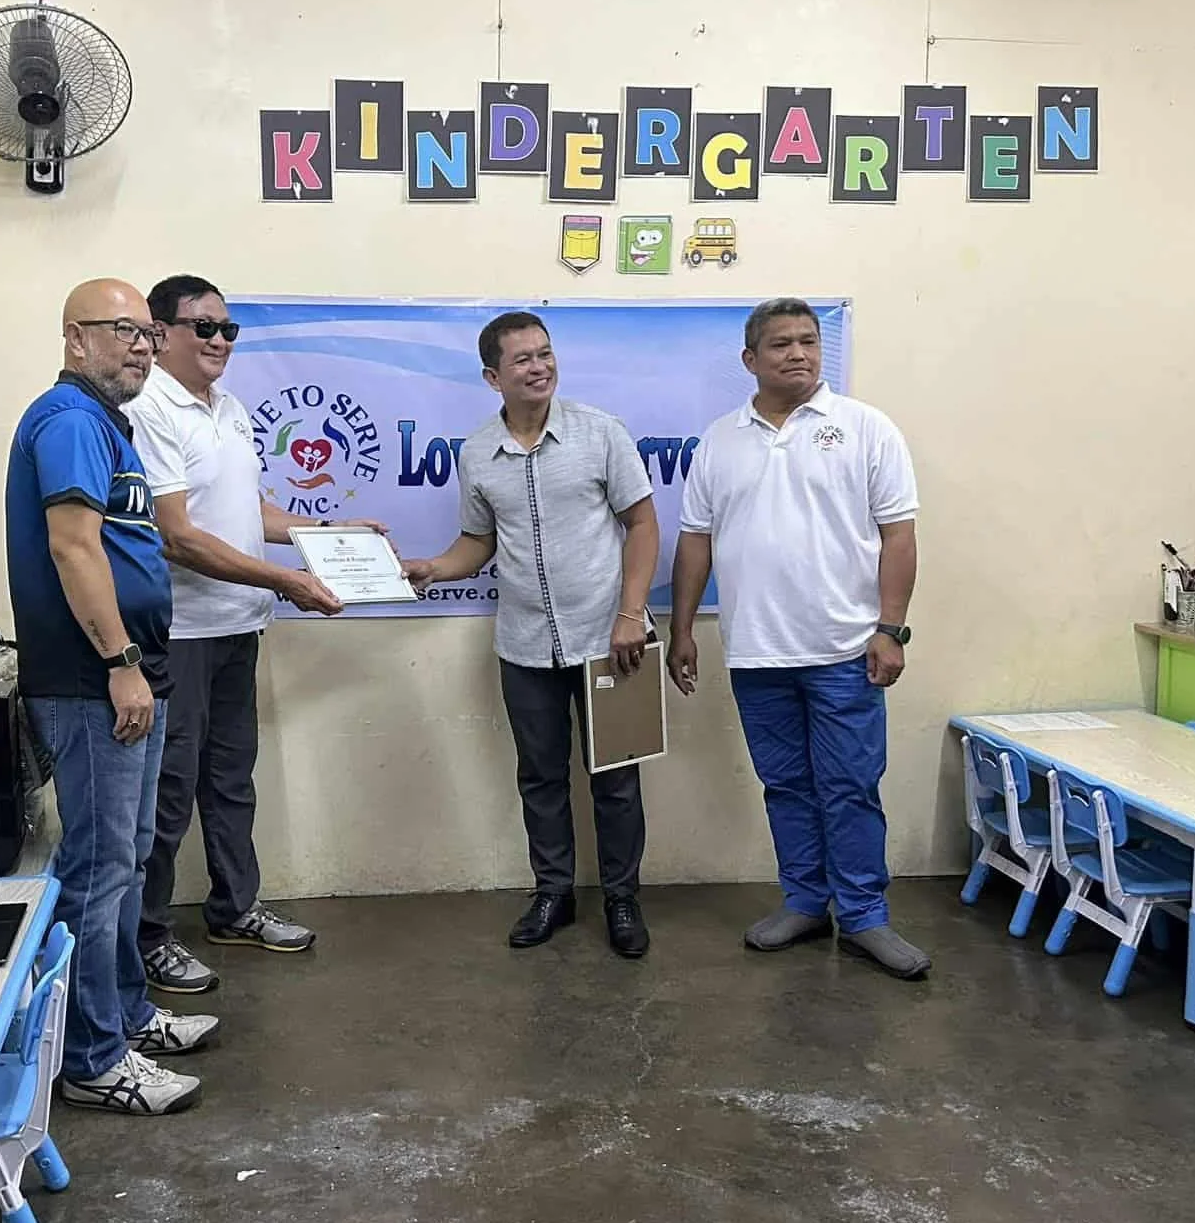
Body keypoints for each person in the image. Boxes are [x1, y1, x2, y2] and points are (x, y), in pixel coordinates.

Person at [667, 297, 929, 980]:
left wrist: (890, 629)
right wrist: (682, 628)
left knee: (850, 787)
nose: (798, 353)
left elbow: (899, 537)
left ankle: (865, 915)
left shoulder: (867, 429)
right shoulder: (719, 440)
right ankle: (806, 902)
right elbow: (695, 541)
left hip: (845, 651)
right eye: (781, 343)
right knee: (785, 786)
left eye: (808, 341)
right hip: (757, 653)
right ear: (750, 359)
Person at [5, 277, 217, 1116]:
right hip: (94, 682)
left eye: (146, 333)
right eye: (120, 330)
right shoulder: (67, 421)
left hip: (130, 675)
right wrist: (121, 661)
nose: (140, 346)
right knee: (97, 873)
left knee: (125, 861)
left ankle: (126, 1015)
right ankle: (93, 1061)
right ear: (75, 338)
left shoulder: (104, 423)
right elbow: (73, 548)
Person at [403, 311, 660, 957]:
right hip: (524, 647)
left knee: (616, 779)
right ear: (493, 377)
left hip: (611, 642)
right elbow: (477, 542)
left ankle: (622, 899)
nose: (539, 367)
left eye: (545, 353)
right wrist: (436, 568)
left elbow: (643, 525)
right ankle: (553, 892)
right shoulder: (477, 454)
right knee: (540, 778)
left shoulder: (600, 432)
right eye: (522, 359)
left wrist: (630, 614)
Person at [125, 273, 354, 996]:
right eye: (205, 327)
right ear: (160, 334)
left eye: (229, 329)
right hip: (180, 633)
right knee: (167, 795)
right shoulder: (147, 410)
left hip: (237, 625)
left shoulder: (229, 408)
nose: (221, 341)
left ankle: (233, 909)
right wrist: (285, 580)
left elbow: (249, 510)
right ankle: (148, 938)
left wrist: (331, 532)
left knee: (230, 780)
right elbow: (177, 535)